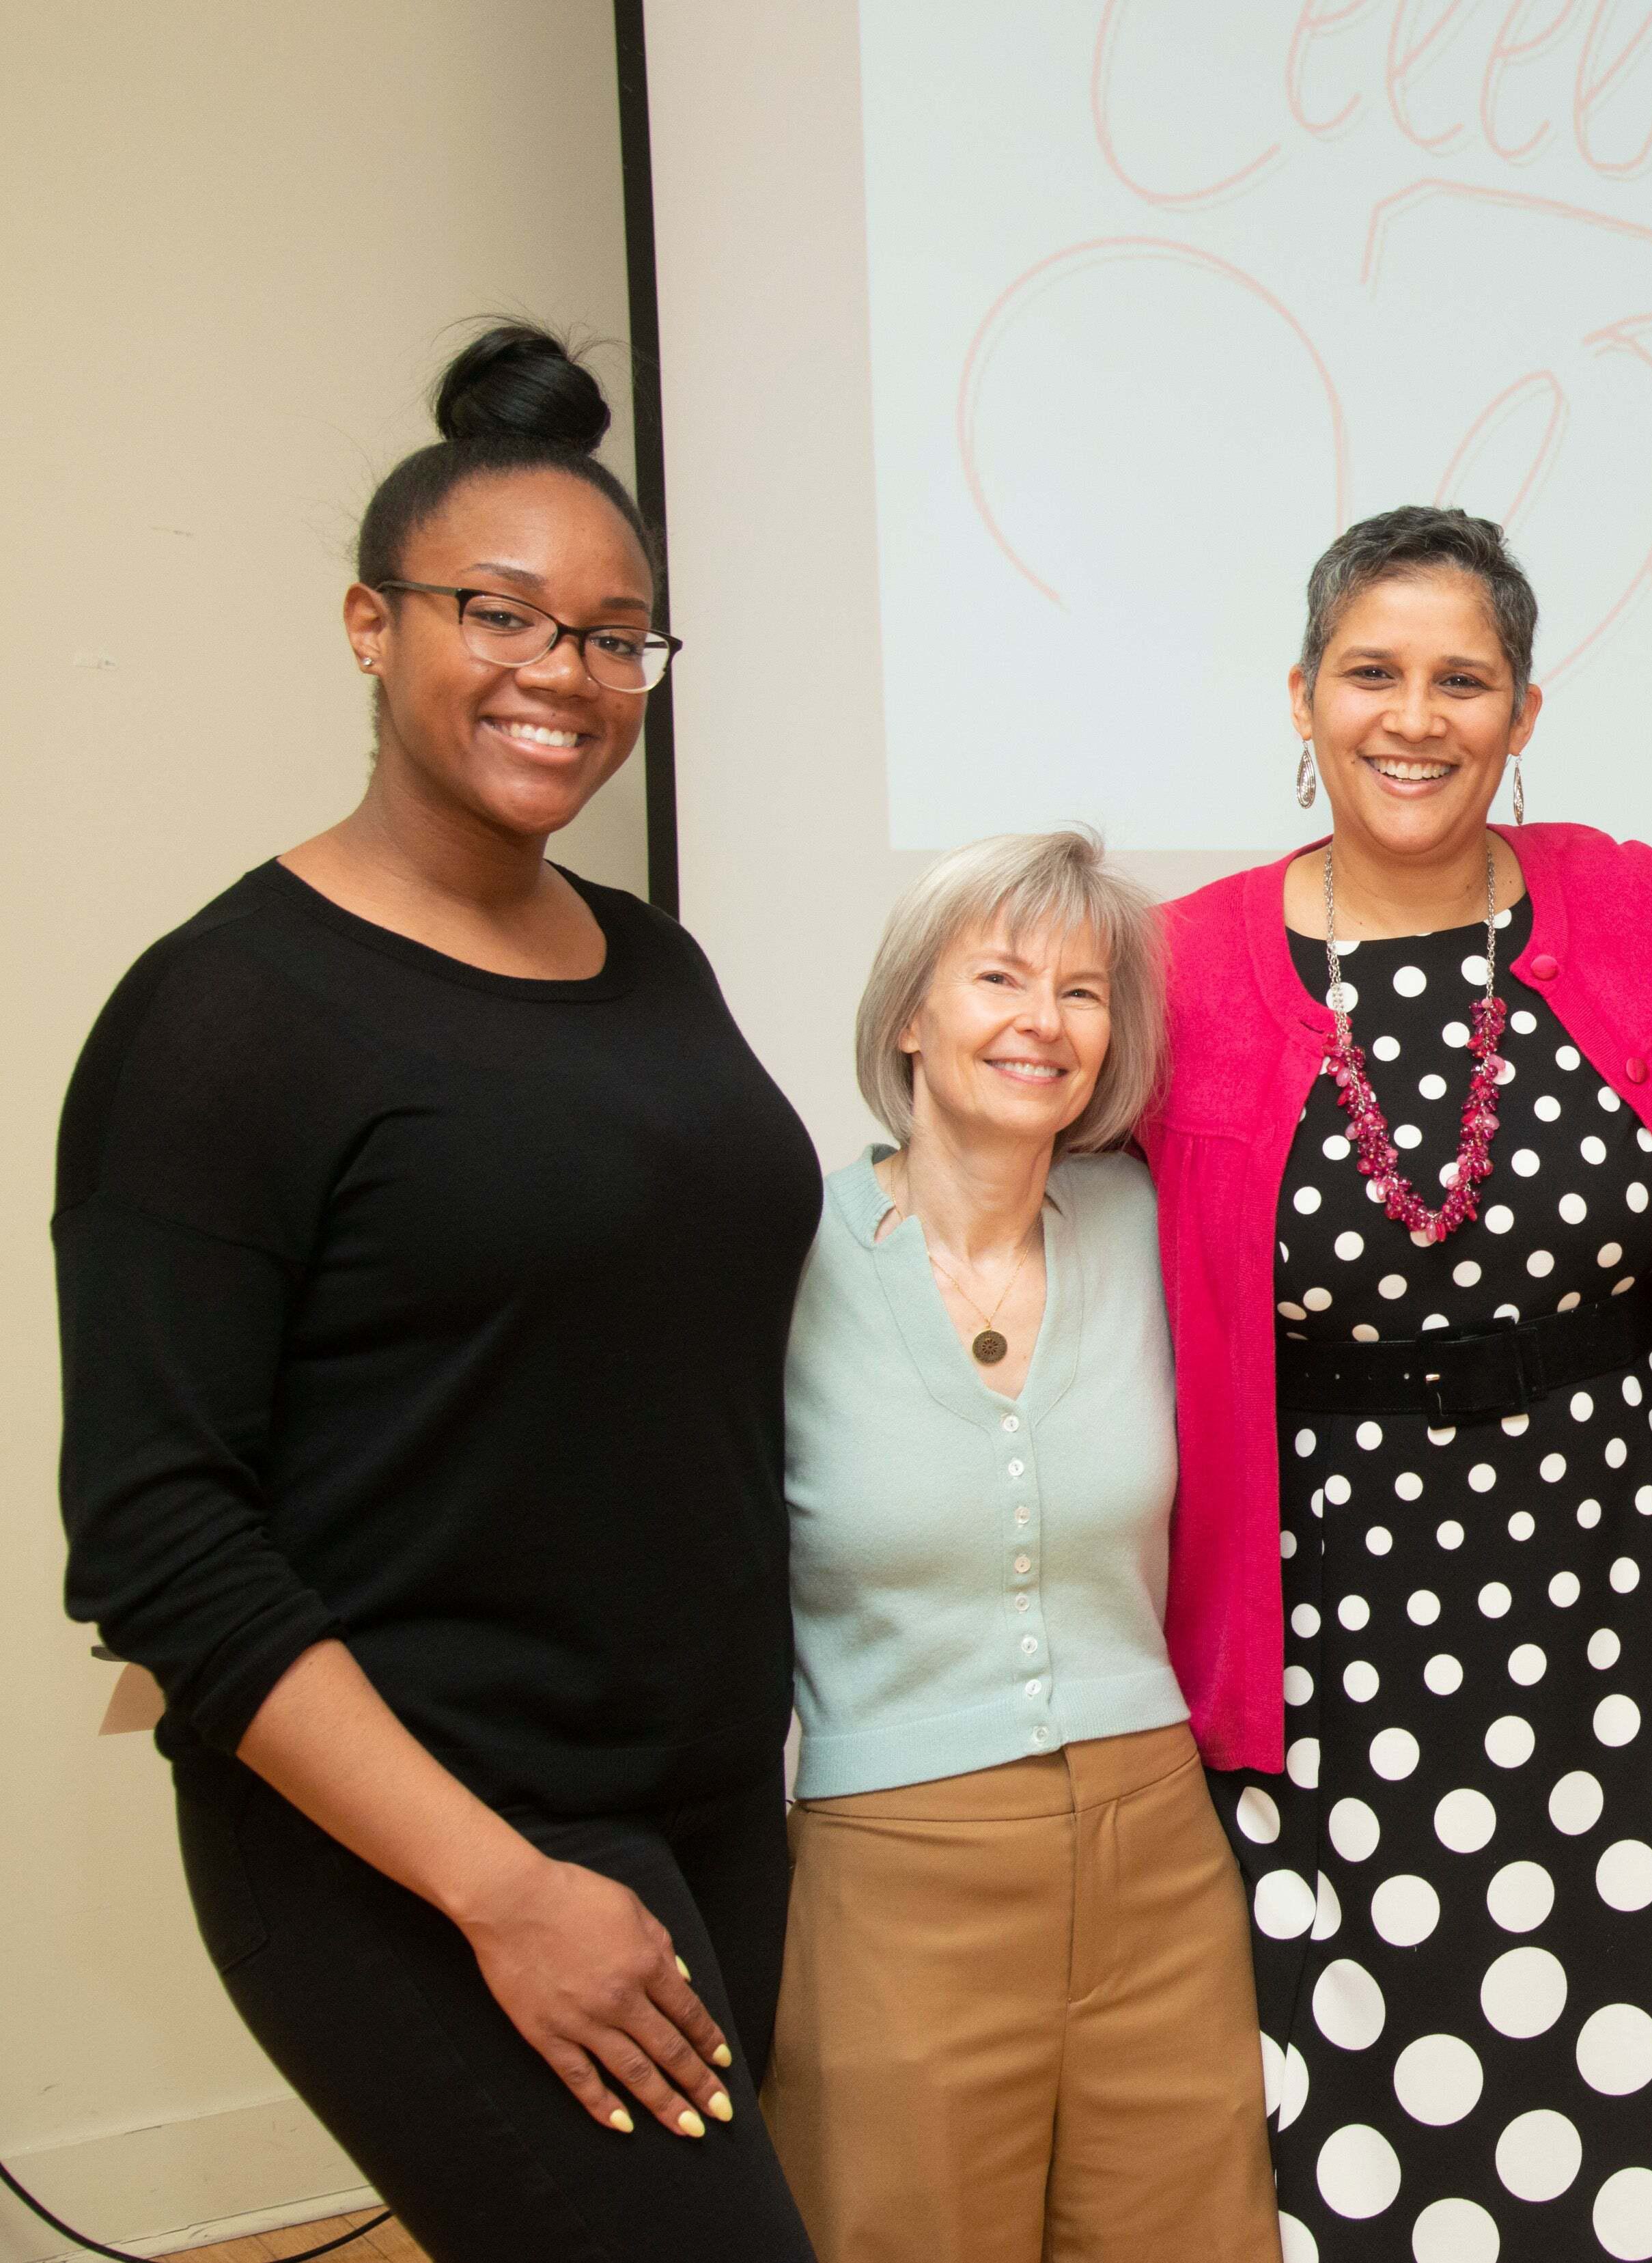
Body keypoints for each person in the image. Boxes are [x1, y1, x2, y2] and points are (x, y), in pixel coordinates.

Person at [53, 326, 820, 2259]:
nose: (563, 675)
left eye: (613, 634)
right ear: (369, 626)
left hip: (706, 1801)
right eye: (501, 614)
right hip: (424, 1845)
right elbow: (157, 1540)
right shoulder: (228, 1017)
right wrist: (500, 1887)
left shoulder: (654, 966)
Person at [1147, 505, 1652, 2262]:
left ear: (1525, 714)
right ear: (1299, 697)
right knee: (1366, 2125)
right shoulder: (1179, 969)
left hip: (1625, 1605)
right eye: (1371, 672)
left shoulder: (1640, 910)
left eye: (1465, 679)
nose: (1415, 715)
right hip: (1333, 1630)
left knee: (1634, 2076)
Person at [758, 831, 1276, 2259]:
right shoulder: (778, 1248)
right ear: (910, 1016)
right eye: (997, 975)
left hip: (1159, 1857)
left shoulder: (1153, 1224)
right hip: (895, 1870)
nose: (1042, 1020)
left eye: (1084, 989)